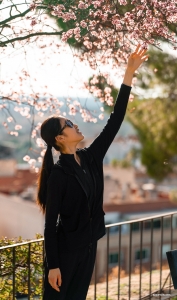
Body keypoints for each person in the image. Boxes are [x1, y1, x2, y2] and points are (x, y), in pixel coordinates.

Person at [37, 44, 148, 300]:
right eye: (69, 125)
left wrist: (128, 75)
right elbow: (50, 225)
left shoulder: (90, 158)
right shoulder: (58, 175)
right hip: (65, 254)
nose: (75, 125)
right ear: (60, 138)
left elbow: (115, 121)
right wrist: (52, 265)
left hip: (88, 247)